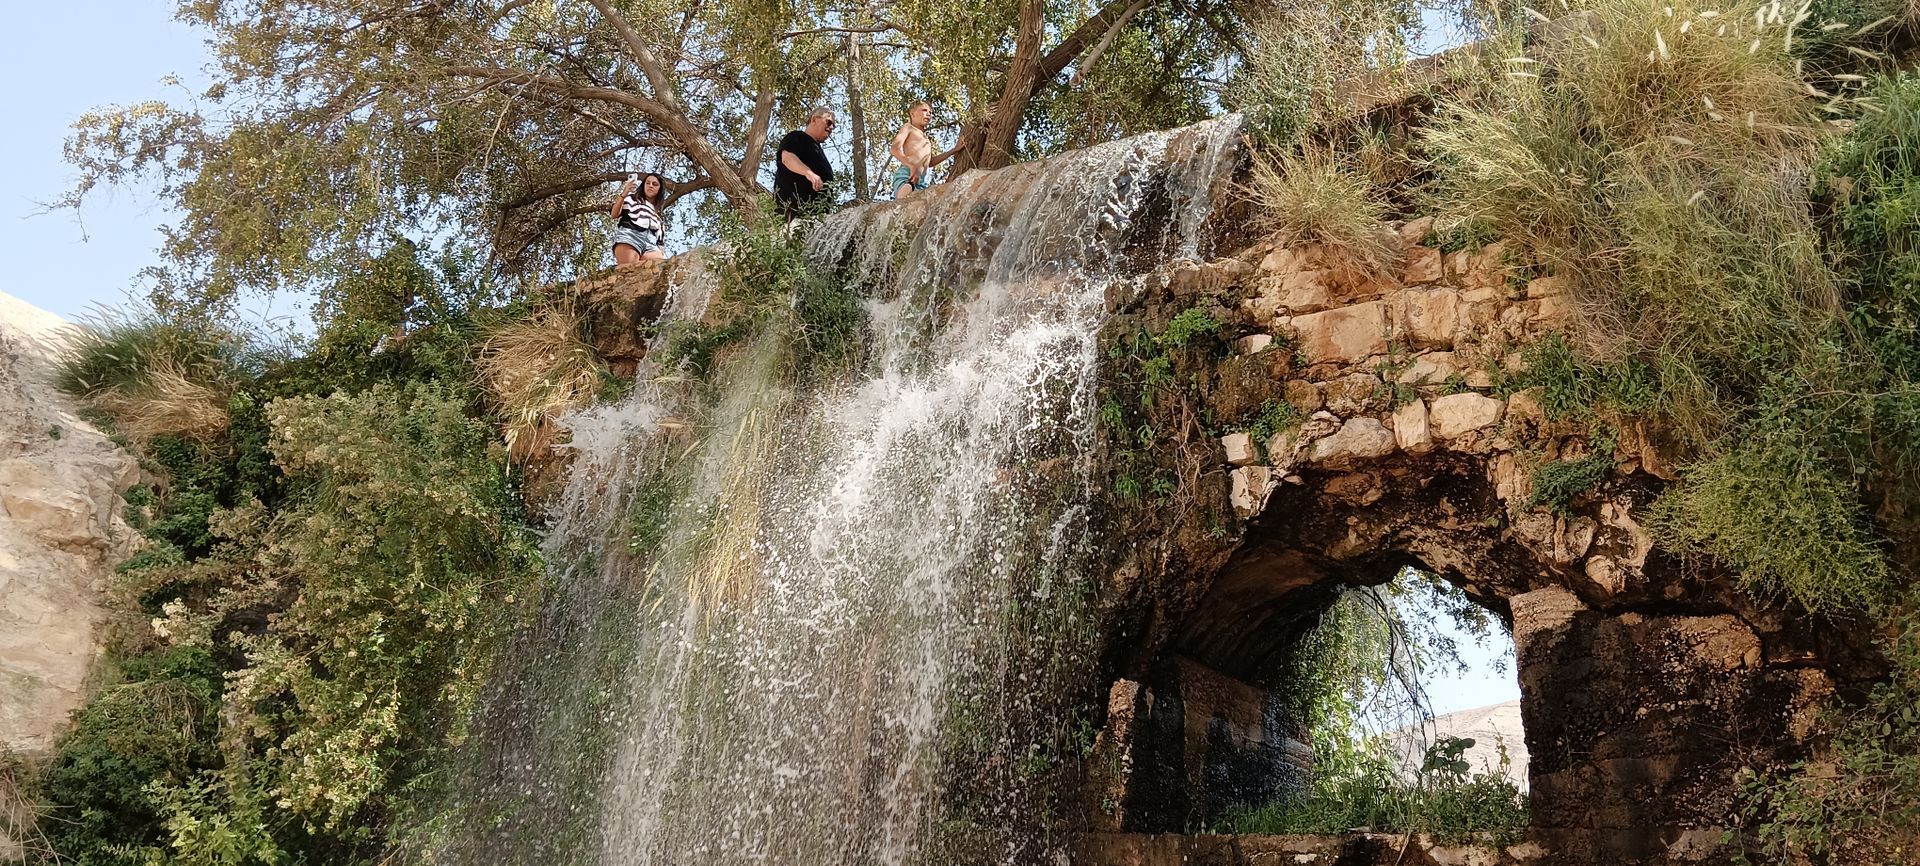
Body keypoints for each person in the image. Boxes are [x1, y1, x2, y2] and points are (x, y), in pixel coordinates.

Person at [888, 101, 964, 200]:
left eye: (930, 112)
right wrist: (911, 166)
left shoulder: (926, 140)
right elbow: (894, 149)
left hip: (921, 179)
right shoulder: (909, 127)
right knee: (903, 198)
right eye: (924, 110)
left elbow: (930, 162)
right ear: (912, 114)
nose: (928, 114)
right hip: (908, 173)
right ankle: (902, 195)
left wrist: (953, 150)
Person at [773, 108, 836, 221]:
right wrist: (809, 174)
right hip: (795, 215)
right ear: (814, 120)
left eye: (833, 126)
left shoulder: (818, 151)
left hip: (816, 219)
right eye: (828, 122)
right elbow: (787, 158)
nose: (831, 127)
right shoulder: (797, 137)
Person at [610, 172, 668, 263]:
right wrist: (624, 193)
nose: (650, 186)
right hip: (631, 235)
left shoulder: (658, 217)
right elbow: (614, 214)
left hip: (651, 243)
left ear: (660, 189)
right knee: (629, 269)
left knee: (659, 267)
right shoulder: (632, 199)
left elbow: (661, 243)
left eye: (655, 184)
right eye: (647, 183)